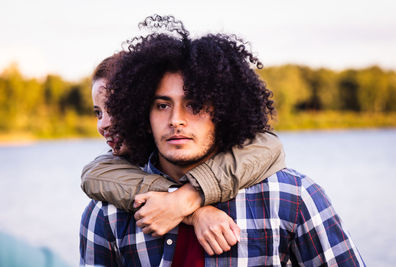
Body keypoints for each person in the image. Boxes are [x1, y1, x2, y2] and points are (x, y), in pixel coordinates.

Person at [80, 15, 364, 266]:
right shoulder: (107, 214)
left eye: (195, 104)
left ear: (224, 109)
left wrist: (186, 200)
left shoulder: (294, 197)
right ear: (141, 112)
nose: (177, 120)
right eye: (162, 105)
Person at [82, 50, 286, 257]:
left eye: (114, 110)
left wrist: (187, 198)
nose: (103, 124)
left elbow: (269, 146)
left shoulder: (282, 187)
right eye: (98, 112)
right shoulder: (105, 202)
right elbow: (93, 175)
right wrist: (193, 211)